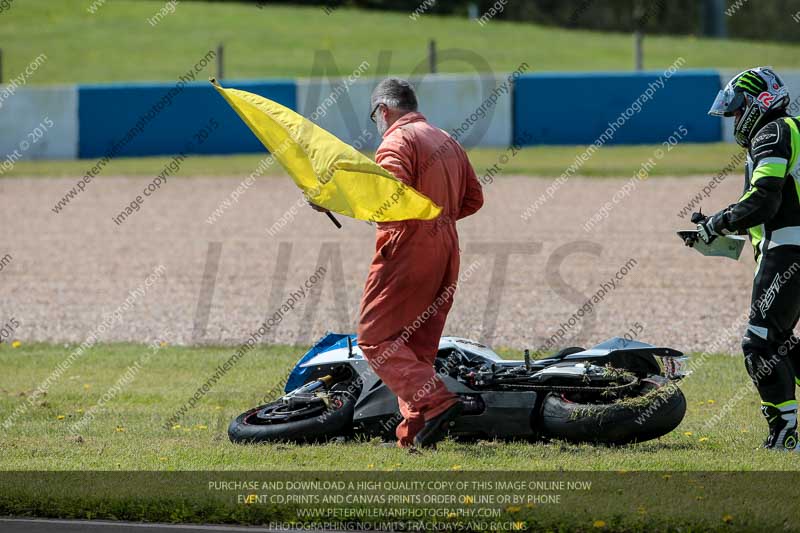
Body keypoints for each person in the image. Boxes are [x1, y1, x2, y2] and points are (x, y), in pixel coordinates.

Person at [313, 78, 483, 449]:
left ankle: (437, 403)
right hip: (447, 246)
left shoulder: (397, 141)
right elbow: (473, 199)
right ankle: (416, 433)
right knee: (416, 347)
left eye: (374, 116)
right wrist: (438, 220)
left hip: (406, 246)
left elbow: (387, 198)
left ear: (383, 110)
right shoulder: (445, 139)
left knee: (376, 340)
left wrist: (334, 199)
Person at [694, 66, 800, 450]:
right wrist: (723, 225)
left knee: (759, 343)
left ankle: (785, 434)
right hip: (789, 246)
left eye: (739, 110)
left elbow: (765, 200)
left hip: (789, 250)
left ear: (759, 103)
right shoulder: (792, 129)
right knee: (782, 341)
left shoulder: (772, 133)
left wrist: (718, 223)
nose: (736, 119)